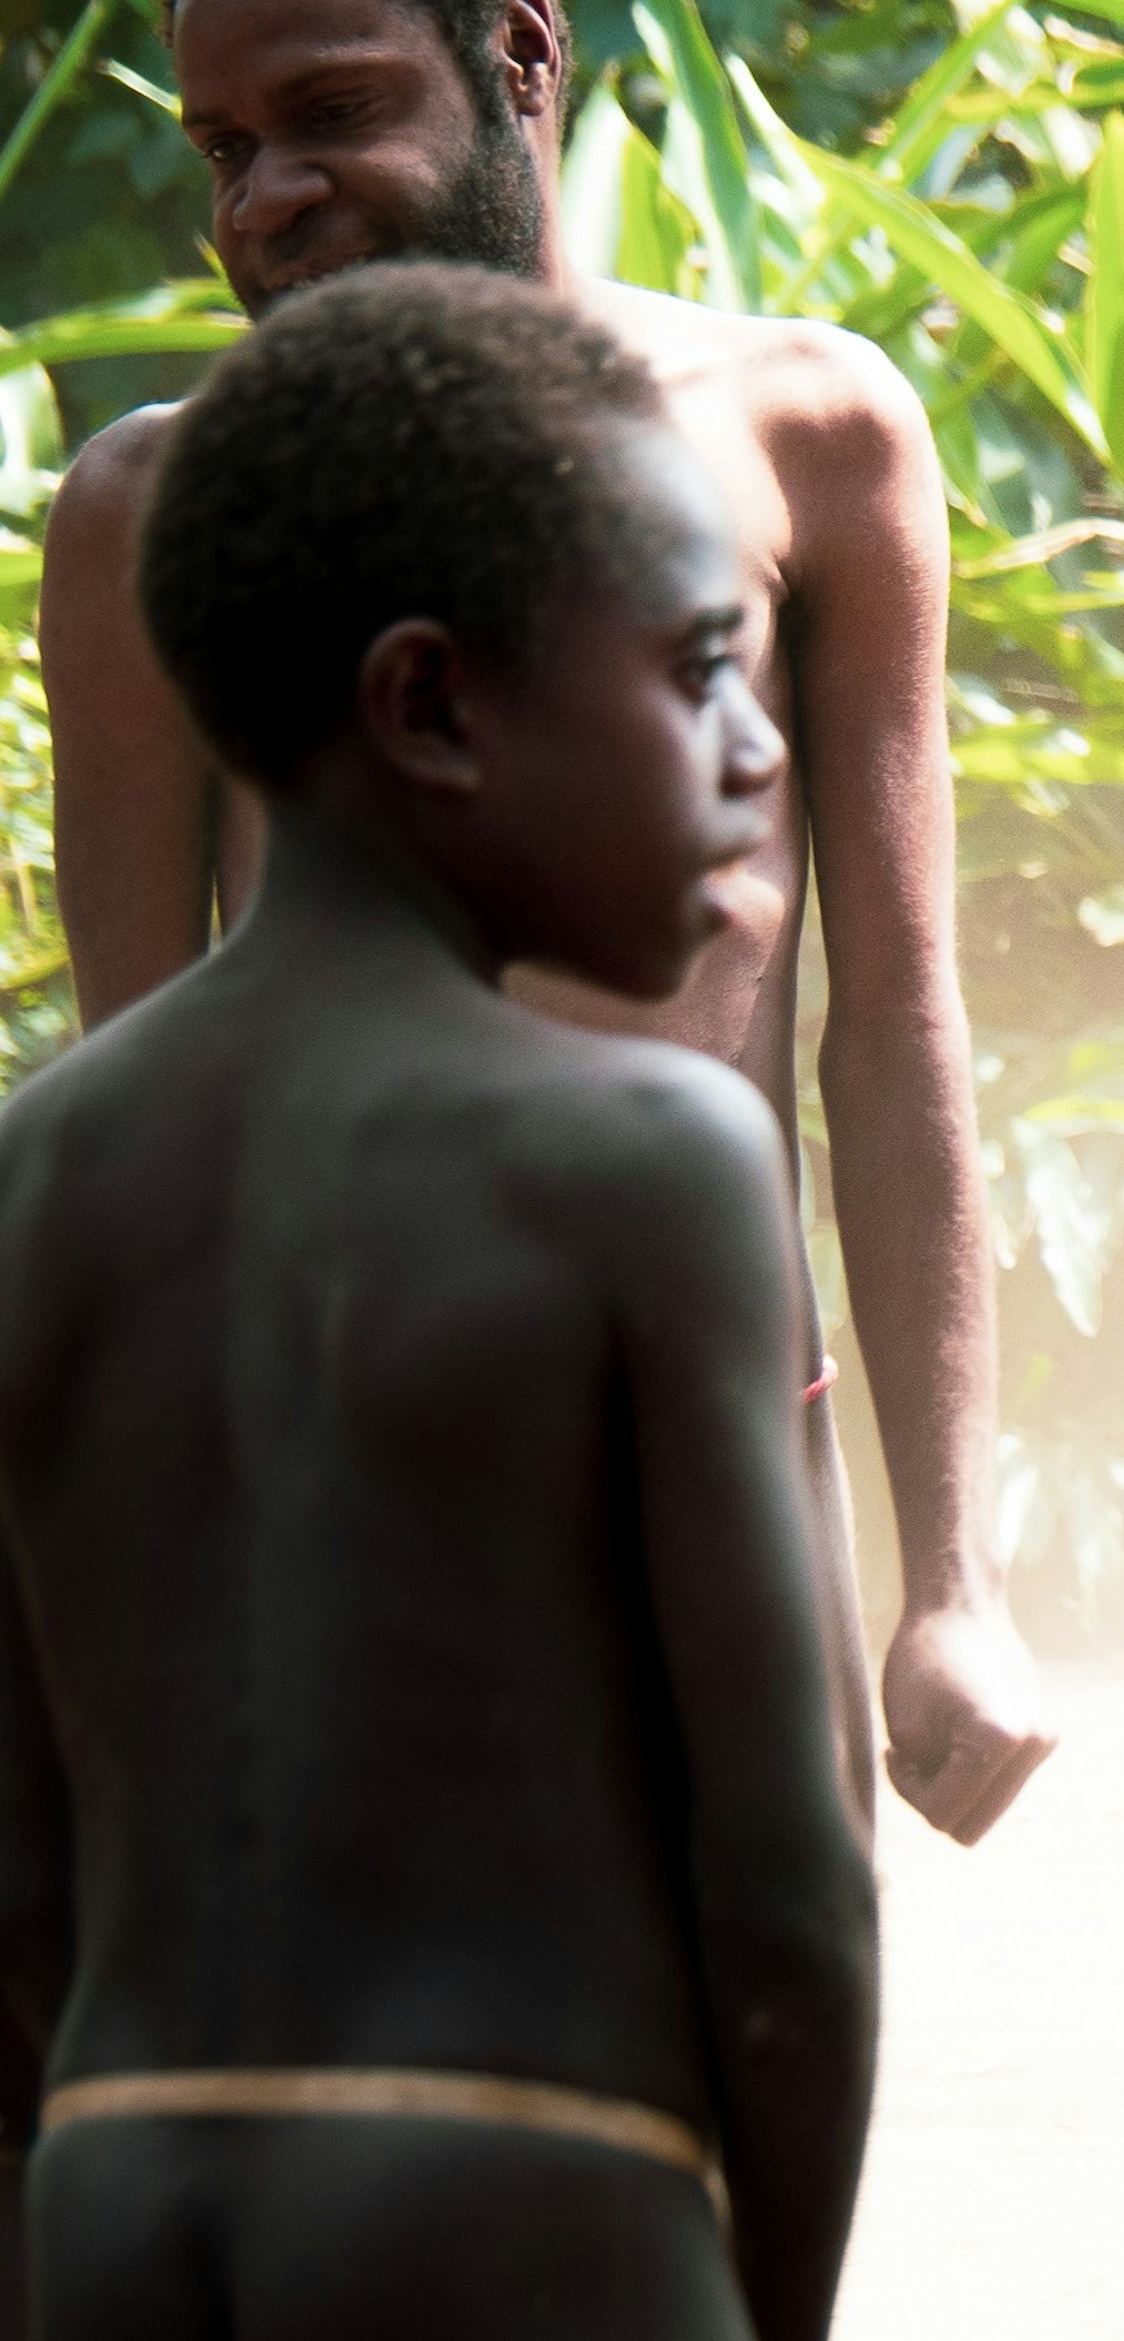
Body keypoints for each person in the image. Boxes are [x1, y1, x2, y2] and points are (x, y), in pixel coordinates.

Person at [36, 0, 1047, 1845]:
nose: (267, 200)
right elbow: (132, 1092)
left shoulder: (811, 439)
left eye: (330, 111)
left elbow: (895, 1016)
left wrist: (954, 1584)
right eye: (227, 149)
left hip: (724, 1461)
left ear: (517, 55)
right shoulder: (154, 516)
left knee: (723, 2110)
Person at [0, 266, 876, 2338]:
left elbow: (20, 1873)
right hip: (523, 2208)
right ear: (432, 706)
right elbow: (785, 1893)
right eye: (690, 675)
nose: (756, 757)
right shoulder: (653, 1157)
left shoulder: (37, 1169)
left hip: (119, 2193)